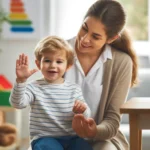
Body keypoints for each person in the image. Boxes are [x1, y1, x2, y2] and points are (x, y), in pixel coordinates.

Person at [64, 0, 138, 150]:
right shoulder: (59, 51)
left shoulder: (121, 62)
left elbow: (112, 121)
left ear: (111, 39)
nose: (84, 39)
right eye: (84, 28)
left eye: (95, 37)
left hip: (101, 139)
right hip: (59, 136)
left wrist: (94, 130)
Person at [9, 36, 93, 150]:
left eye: (59, 61)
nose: (53, 65)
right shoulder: (33, 87)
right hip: (44, 138)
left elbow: (87, 114)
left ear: (68, 66)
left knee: (83, 147)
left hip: (72, 137)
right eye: (47, 60)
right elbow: (17, 104)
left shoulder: (74, 89)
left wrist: (83, 110)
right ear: (39, 64)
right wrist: (21, 81)